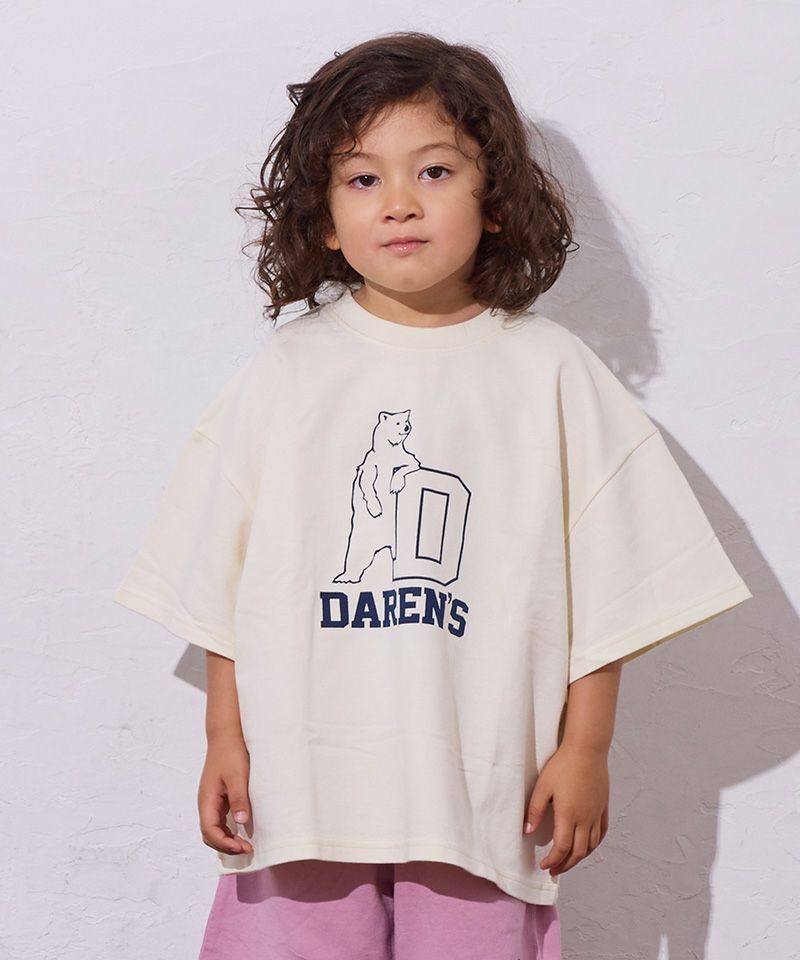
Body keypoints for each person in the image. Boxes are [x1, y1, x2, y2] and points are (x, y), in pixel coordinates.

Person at [113, 31, 753, 960]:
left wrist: (585, 749)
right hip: (303, 790)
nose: (401, 202)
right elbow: (221, 581)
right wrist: (224, 736)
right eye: (362, 178)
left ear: (494, 198)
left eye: (437, 171)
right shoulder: (287, 375)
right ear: (324, 219)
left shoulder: (550, 374)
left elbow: (615, 587)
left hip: (481, 798)